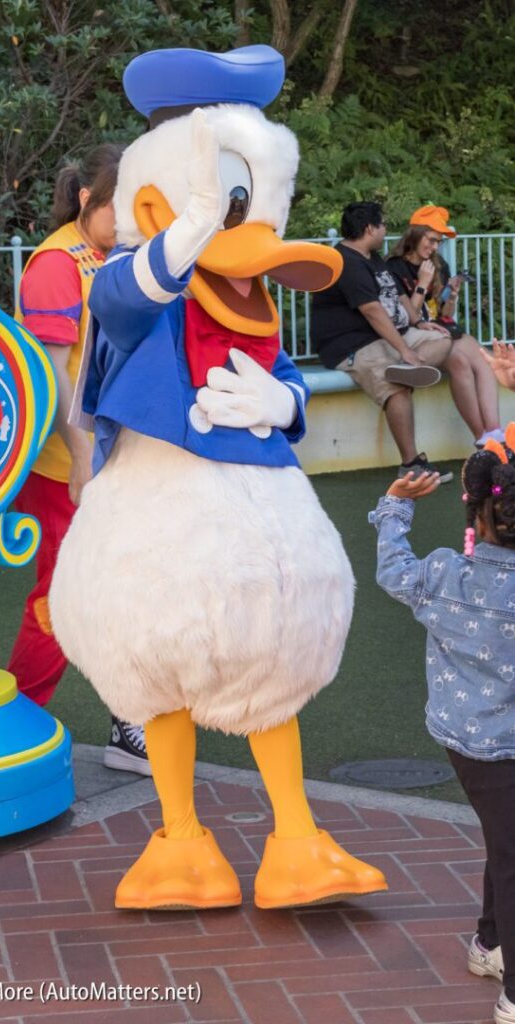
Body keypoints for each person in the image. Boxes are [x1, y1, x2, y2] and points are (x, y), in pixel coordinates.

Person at [6, 143, 151, 776]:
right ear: (88, 196)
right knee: (58, 598)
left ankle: (128, 722)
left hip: (117, 459)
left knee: (127, 590)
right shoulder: (54, 264)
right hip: (64, 466)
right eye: (120, 203)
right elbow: (49, 373)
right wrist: (82, 454)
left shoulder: (117, 257)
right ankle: (17, 719)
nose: (131, 218)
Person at [369, 439, 515, 1024]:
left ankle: (489, 944)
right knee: (512, 851)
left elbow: (390, 568)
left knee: (507, 841)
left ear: (476, 514)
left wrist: (393, 505)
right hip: (499, 745)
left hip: (469, 748)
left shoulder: (442, 574)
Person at [311, 201, 455, 481]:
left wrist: (417, 321)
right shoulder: (345, 262)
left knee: (442, 339)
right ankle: (411, 464)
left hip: (388, 335)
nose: (386, 229)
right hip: (352, 344)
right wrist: (405, 351)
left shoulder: (372, 257)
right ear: (369, 228)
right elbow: (372, 311)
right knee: (396, 388)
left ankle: (403, 370)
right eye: (383, 224)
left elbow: (398, 295)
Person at [387, 206, 503, 448]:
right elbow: (408, 317)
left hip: (439, 327)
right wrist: (423, 283)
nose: (434, 247)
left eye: (438, 242)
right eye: (431, 240)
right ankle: (482, 438)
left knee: (483, 358)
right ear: (415, 234)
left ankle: (493, 432)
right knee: (460, 364)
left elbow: (445, 315)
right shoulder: (394, 267)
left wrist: (452, 297)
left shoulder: (438, 263)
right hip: (413, 331)